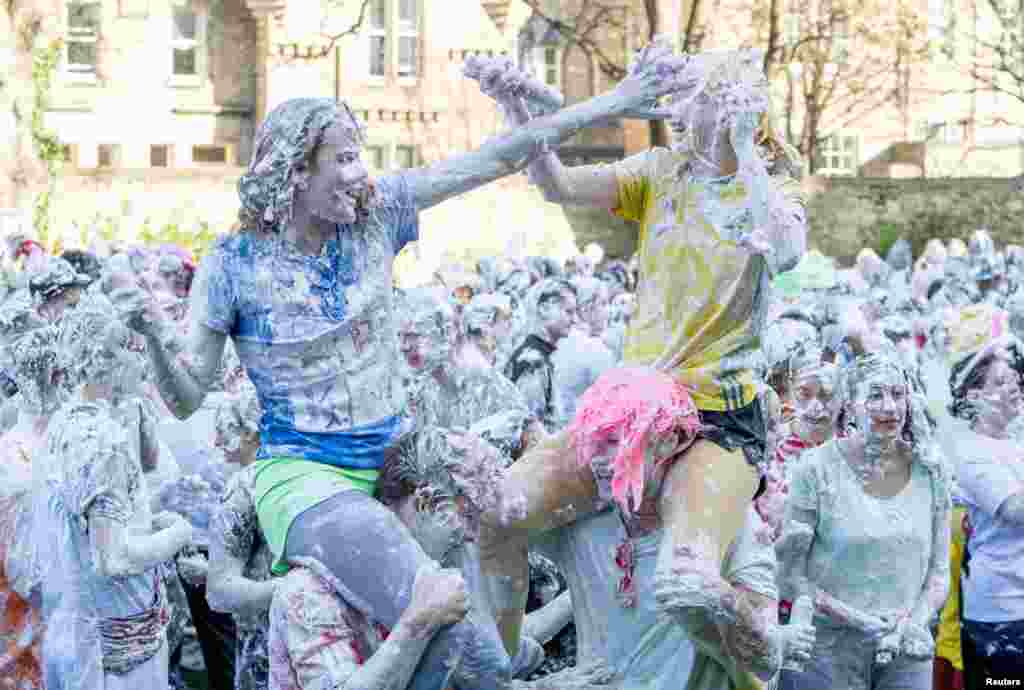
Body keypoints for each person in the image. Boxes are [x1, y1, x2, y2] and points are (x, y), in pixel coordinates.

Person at [109, 45, 689, 690]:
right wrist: (154, 337)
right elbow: (189, 398)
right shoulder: (232, 262)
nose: (363, 174)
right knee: (436, 608)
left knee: (528, 523)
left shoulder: (378, 216)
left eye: (364, 156)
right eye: (347, 158)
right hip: (306, 477)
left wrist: (615, 100)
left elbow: (496, 157)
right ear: (295, 173)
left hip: (400, 457)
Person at [471, 45, 809, 686]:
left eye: (697, 96)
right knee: (498, 513)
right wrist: (518, 107)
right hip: (633, 408)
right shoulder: (661, 171)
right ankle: (499, 666)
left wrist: (746, 147)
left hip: (716, 413)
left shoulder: (771, 189)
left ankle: (756, 659)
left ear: (737, 108)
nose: (677, 108)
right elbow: (558, 185)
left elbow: (787, 251)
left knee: (687, 582)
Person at [775, 349, 951, 690]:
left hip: (906, 648)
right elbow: (788, 574)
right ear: (849, 405)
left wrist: (913, 623)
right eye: (875, 395)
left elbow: (939, 571)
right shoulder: (815, 468)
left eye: (898, 395)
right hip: (827, 651)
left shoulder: (931, 468)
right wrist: (856, 619)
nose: (890, 407)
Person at [942, 309, 1024, 685]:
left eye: (1015, 379)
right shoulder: (971, 451)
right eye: (1001, 381)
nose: (1014, 388)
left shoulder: (1013, 441)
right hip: (1001, 613)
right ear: (974, 394)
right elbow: (1016, 509)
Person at [207, 384, 275, 690]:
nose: (217, 440)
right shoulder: (292, 472)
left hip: (264, 639)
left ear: (250, 432)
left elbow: (219, 592)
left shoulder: (243, 487)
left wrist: (289, 591)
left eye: (224, 429)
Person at [503, 279, 578, 433]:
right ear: (544, 309)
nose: (575, 320)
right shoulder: (534, 362)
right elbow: (530, 431)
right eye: (568, 312)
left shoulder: (538, 356)